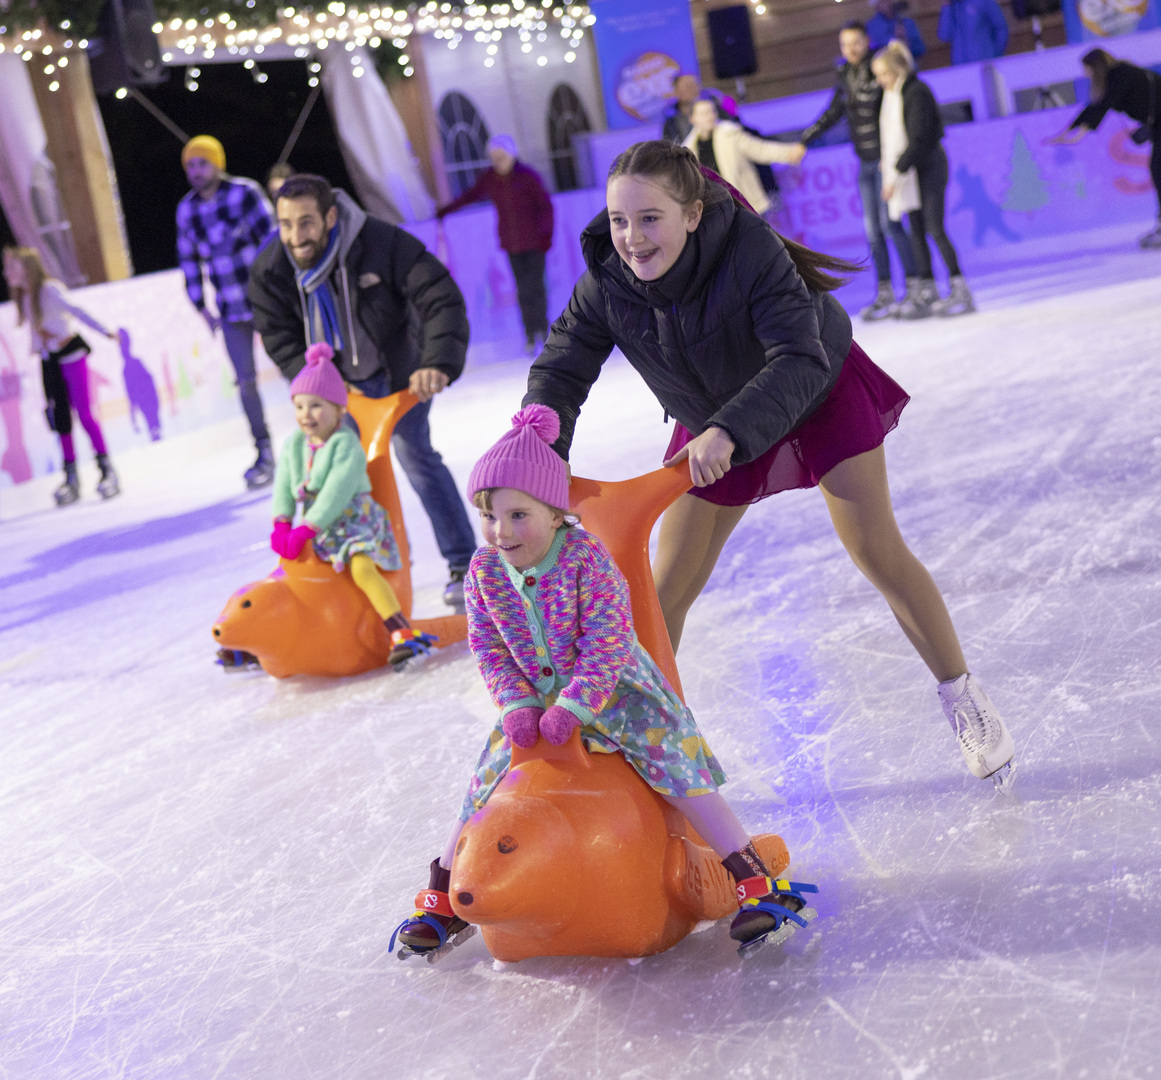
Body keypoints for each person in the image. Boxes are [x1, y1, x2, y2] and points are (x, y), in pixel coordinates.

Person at [522, 140, 1016, 789]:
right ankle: (650, 738)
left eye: (649, 219)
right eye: (619, 220)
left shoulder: (750, 251)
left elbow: (799, 357)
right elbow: (560, 369)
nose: (632, 239)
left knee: (874, 548)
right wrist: (536, 449)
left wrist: (729, 428)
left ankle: (964, 699)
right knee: (662, 586)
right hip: (711, 418)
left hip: (812, 388)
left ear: (692, 214)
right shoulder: (606, 283)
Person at [389, 404, 820, 957]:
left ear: (554, 511)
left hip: (616, 691)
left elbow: (608, 642)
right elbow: (489, 648)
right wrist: (517, 701)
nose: (502, 531)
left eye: (519, 515)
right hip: (535, 702)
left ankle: (751, 877)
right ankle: (444, 893)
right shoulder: (484, 571)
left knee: (674, 766)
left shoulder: (585, 559)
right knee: (484, 782)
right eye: (491, 517)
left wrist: (576, 705)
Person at [248, 173, 479, 609]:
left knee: (417, 460)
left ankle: (464, 565)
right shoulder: (270, 271)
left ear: (331, 216)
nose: (295, 236)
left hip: (396, 375)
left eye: (306, 223)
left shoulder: (379, 242)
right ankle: (382, 574)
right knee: (349, 479)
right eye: (285, 224)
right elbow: (278, 337)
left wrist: (435, 361)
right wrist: (320, 388)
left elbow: (438, 294)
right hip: (337, 392)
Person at [257, 342, 433, 670]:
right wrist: (282, 522)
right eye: (299, 406)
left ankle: (400, 631)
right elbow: (283, 483)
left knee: (361, 569)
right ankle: (263, 636)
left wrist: (307, 527)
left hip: (354, 523)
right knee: (285, 572)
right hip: (317, 527)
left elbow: (336, 493)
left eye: (315, 406)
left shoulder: (345, 445)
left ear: (339, 410)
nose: (306, 415)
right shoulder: (295, 443)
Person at [794, 21, 919, 321]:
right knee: (873, 232)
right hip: (864, 161)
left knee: (892, 225)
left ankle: (915, 286)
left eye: (855, 43)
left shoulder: (880, 67)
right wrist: (805, 140)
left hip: (884, 160)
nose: (850, 50)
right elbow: (833, 111)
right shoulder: (845, 74)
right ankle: (886, 290)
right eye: (844, 45)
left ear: (866, 41)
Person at [175, 135, 277, 489]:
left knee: (297, 367)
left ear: (217, 163)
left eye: (202, 163)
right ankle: (264, 451)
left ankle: (323, 439)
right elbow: (188, 260)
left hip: (268, 301)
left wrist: (280, 290)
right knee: (245, 382)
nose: (196, 171)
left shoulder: (245, 193)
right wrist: (200, 305)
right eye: (190, 165)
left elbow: (273, 240)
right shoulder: (186, 209)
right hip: (231, 310)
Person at [3, 246, 120, 505]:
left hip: (70, 356)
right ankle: (71, 477)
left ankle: (106, 469)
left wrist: (106, 331)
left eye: (12, 267)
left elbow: (77, 311)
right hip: (50, 362)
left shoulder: (49, 289)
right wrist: (40, 347)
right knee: (60, 419)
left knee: (85, 413)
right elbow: (36, 334)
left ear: (27, 267)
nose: (7, 272)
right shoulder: (25, 297)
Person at [873, 41, 974, 317]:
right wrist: (893, 163)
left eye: (883, 74)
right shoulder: (894, 95)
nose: (880, 81)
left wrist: (895, 173)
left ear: (899, 69)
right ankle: (928, 289)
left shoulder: (916, 91)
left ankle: (959, 287)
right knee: (916, 230)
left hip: (929, 167)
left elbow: (918, 139)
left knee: (934, 228)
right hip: (913, 171)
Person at [436, 135, 555, 356]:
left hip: (535, 243)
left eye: (501, 157)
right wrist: (447, 209)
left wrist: (546, 234)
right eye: (494, 157)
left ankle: (543, 329)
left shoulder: (527, 176)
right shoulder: (490, 178)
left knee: (536, 287)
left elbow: (545, 206)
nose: (498, 161)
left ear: (511, 155)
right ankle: (530, 333)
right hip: (511, 244)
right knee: (523, 290)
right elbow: (471, 195)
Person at [1050, 48, 1161, 250]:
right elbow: (1098, 105)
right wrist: (1070, 131)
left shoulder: (1121, 74)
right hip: (1157, 125)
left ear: (1096, 66)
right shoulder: (1118, 76)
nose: (1085, 75)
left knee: (1158, 169)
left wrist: (1076, 133)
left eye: (1088, 70)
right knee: (1157, 169)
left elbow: (1104, 104)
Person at [682, 97, 805, 221]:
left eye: (711, 111)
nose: (709, 116)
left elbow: (759, 149)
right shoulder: (689, 149)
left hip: (743, 204)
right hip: (716, 211)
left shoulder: (730, 133)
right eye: (703, 113)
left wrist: (788, 153)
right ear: (692, 119)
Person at [937, 0, 1008, 65]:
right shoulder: (951, 6)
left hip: (984, 62)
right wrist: (946, 6)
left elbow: (1001, 28)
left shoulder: (984, 1)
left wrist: (996, 54)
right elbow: (944, 36)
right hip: (959, 65)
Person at [661, 73, 701, 145]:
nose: (693, 89)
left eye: (695, 85)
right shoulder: (670, 121)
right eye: (688, 86)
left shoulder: (714, 110)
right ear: (676, 91)